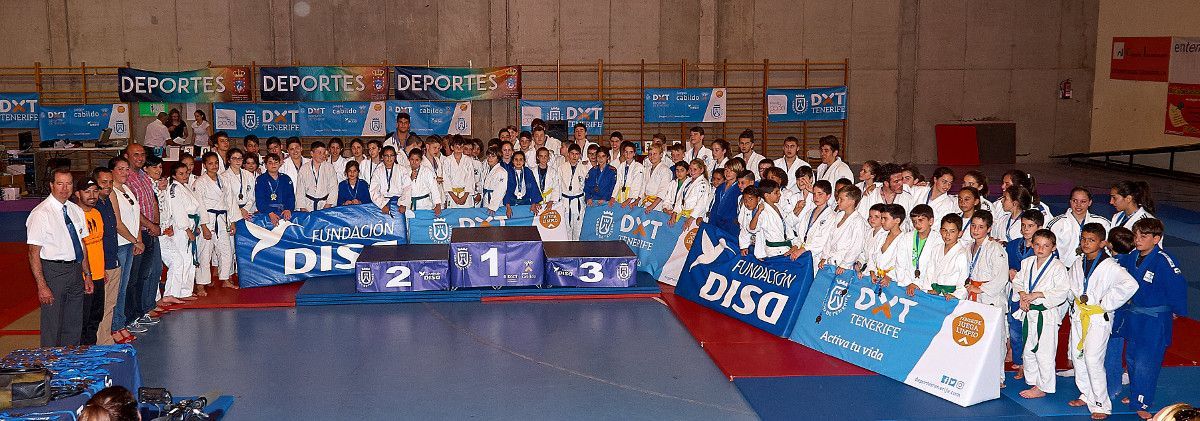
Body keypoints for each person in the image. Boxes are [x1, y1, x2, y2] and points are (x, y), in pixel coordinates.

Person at [1065, 223, 1138, 419]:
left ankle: (1101, 404)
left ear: (1102, 243)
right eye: (1084, 239)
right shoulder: (1078, 262)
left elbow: (1130, 285)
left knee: (1092, 359)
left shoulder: (1110, 265)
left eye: (1092, 240)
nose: (1086, 243)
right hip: (1080, 315)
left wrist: (1107, 303)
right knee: (1078, 357)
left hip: (1098, 317)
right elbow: (1071, 286)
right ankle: (1086, 394)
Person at [1117, 218, 1187, 418]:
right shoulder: (1132, 256)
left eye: (1144, 236)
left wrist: (1176, 309)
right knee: (1131, 358)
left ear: (1156, 239)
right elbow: (1117, 266)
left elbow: (1178, 286)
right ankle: (1136, 394)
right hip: (1135, 315)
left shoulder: (1164, 260)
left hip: (1155, 319)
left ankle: (1143, 402)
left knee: (1146, 362)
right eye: (1136, 235)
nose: (1137, 239)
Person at [27, 169, 94, 347]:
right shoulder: (41, 213)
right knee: (52, 325)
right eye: (60, 183)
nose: (64, 188)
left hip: (75, 270)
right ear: (51, 185)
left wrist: (87, 274)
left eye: (68, 184)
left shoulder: (75, 210)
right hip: (53, 271)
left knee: (74, 323)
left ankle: (69, 359)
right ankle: (50, 360)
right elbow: (33, 252)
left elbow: (82, 244)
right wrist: (42, 285)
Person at [1013, 229, 1070, 399]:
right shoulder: (1027, 262)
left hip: (1045, 315)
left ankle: (1044, 386)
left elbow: (1062, 292)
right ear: (1031, 244)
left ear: (1053, 247)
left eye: (1045, 246)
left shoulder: (1058, 267)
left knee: (1044, 352)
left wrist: (1038, 295)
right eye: (1037, 244)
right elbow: (1017, 281)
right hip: (1029, 312)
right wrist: (1022, 295)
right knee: (1029, 349)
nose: (1040, 249)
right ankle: (1033, 381)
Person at [121, 146, 164, 334]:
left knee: (148, 274)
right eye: (135, 155)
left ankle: (142, 311)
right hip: (137, 234)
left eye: (142, 155)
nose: (140, 158)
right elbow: (133, 210)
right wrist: (150, 225)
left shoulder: (144, 176)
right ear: (126, 156)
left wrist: (156, 224)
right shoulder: (126, 179)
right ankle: (130, 317)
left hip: (149, 231)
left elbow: (153, 201)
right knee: (133, 278)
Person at [105, 159, 141, 344]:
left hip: (129, 242)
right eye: (120, 169)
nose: (125, 172)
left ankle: (120, 323)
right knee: (116, 289)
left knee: (124, 287)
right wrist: (135, 240)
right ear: (112, 171)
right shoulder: (111, 192)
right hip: (119, 244)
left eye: (127, 169)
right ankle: (114, 326)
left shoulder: (126, 189)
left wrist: (138, 239)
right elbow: (117, 223)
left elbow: (135, 215)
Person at [193, 152, 235, 296]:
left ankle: (225, 279)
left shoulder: (223, 180)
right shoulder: (199, 182)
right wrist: (204, 226)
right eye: (210, 163)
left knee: (226, 250)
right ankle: (200, 284)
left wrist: (232, 221)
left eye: (216, 162)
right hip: (208, 219)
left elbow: (230, 202)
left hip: (222, 218)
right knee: (205, 253)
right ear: (204, 165)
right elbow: (200, 206)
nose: (214, 166)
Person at [75, 177, 107, 346]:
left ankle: (91, 350)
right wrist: (86, 274)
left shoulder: (96, 213)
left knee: (96, 316)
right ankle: (81, 352)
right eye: (87, 192)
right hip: (83, 276)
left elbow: (98, 244)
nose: (92, 195)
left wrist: (102, 270)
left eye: (95, 191)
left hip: (98, 274)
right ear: (77, 194)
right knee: (83, 319)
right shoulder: (74, 215)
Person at [161, 162, 200, 303]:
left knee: (189, 259)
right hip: (180, 227)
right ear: (173, 175)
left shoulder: (184, 187)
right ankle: (174, 292)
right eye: (181, 174)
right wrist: (187, 229)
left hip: (190, 224)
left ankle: (185, 291)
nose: (185, 176)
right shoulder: (174, 189)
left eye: (186, 173)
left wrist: (196, 226)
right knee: (182, 258)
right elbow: (178, 211)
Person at [1049, 187, 1112, 267]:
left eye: (1083, 201)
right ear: (1070, 201)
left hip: (1095, 267)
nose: (1078, 205)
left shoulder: (1103, 223)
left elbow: (1110, 247)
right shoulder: (1057, 223)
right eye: (1075, 201)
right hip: (1063, 268)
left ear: (1090, 202)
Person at [787, 180, 837, 266]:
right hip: (802, 253)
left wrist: (802, 250)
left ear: (828, 196)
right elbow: (801, 233)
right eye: (814, 194)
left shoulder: (832, 216)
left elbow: (822, 241)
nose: (816, 197)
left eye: (820, 194)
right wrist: (795, 246)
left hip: (816, 256)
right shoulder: (809, 212)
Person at [820, 185, 868, 274]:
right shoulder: (839, 215)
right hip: (831, 261)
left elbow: (856, 246)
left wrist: (844, 264)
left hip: (844, 265)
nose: (838, 201)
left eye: (841, 199)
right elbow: (829, 238)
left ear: (852, 202)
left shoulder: (858, 221)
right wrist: (824, 257)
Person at [896, 204, 942, 296]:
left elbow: (933, 268)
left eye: (921, 220)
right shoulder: (906, 238)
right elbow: (900, 263)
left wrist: (917, 284)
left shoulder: (938, 240)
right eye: (914, 221)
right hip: (906, 283)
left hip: (926, 286)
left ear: (931, 221)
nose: (917, 224)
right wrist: (908, 282)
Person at [924, 214, 970, 300]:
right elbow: (929, 272)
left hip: (951, 295)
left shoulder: (962, 254)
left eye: (952, 231)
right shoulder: (936, 249)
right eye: (944, 230)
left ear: (960, 233)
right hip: (934, 292)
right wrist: (928, 288)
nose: (947, 235)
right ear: (940, 231)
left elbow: (963, 279)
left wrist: (956, 295)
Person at [748, 180, 791, 259]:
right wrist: (758, 212)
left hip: (784, 247)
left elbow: (788, 222)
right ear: (766, 195)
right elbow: (752, 228)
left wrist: (798, 209)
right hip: (774, 250)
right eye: (776, 192)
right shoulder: (763, 211)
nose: (779, 194)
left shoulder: (777, 206)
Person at [866, 204, 906, 288]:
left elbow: (903, 263)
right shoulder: (881, 235)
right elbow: (871, 255)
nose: (882, 221)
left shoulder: (905, 240)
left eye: (885, 218)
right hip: (876, 277)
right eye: (882, 218)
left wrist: (889, 276)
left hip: (893, 281)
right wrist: (872, 272)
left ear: (897, 220)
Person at [295, 141, 338, 211]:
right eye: (319, 153)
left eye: (324, 153)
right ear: (312, 153)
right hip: (308, 205)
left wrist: (328, 205)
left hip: (325, 204)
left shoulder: (330, 167)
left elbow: (334, 188)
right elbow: (300, 190)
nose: (322, 155)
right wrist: (302, 208)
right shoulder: (304, 168)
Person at [255, 153, 295, 226]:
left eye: (276, 162)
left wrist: (288, 209)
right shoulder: (261, 179)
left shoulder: (286, 178)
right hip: (267, 213)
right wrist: (269, 213)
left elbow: (291, 197)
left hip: (284, 212)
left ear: (280, 164)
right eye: (270, 163)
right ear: (265, 165)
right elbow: (259, 199)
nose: (273, 165)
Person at [370, 146, 411, 216]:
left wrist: (403, 204)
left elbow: (407, 187)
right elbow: (373, 190)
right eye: (386, 156)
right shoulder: (378, 171)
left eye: (391, 155)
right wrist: (382, 204)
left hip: (399, 203)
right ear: (382, 157)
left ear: (395, 157)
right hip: (383, 203)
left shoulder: (402, 169)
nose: (389, 158)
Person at [708, 158, 745, 235]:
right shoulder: (720, 187)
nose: (728, 173)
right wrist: (711, 223)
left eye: (731, 170)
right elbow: (715, 206)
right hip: (717, 223)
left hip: (731, 225)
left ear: (737, 172)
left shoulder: (739, 189)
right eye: (726, 170)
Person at [443, 136, 479, 208]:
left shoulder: (468, 160)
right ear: (452, 147)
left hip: (466, 195)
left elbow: (470, 179)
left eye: (461, 147)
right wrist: (454, 197)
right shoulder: (447, 161)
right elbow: (446, 180)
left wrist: (464, 197)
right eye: (457, 147)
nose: (459, 149)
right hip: (452, 196)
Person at [222, 148, 257, 220]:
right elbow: (226, 199)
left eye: (240, 158)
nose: (238, 161)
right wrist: (238, 211)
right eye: (234, 158)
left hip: (248, 211)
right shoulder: (223, 177)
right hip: (232, 212)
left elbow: (252, 196)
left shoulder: (248, 175)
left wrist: (245, 209)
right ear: (229, 160)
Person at [406, 149, 444, 213]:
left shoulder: (427, 171)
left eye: (417, 160)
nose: (414, 162)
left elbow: (433, 188)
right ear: (408, 159)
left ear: (421, 160)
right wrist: (411, 178)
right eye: (412, 159)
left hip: (425, 204)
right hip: (409, 204)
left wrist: (437, 204)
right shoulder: (404, 171)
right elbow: (402, 188)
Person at [611, 141, 645, 206]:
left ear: (634, 153)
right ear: (623, 153)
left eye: (630, 152)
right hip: (622, 195)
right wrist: (613, 197)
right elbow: (618, 183)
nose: (628, 155)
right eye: (626, 152)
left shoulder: (638, 167)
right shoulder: (621, 166)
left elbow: (636, 185)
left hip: (633, 197)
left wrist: (629, 200)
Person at [480, 148, 510, 216]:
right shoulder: (487, 169)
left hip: (495, 204)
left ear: (498, 158)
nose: (490, 158)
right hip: (486, 199)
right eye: (488, 156)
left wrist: (493, 206)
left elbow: (500, 190)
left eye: (493, 156)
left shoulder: (501, 171)